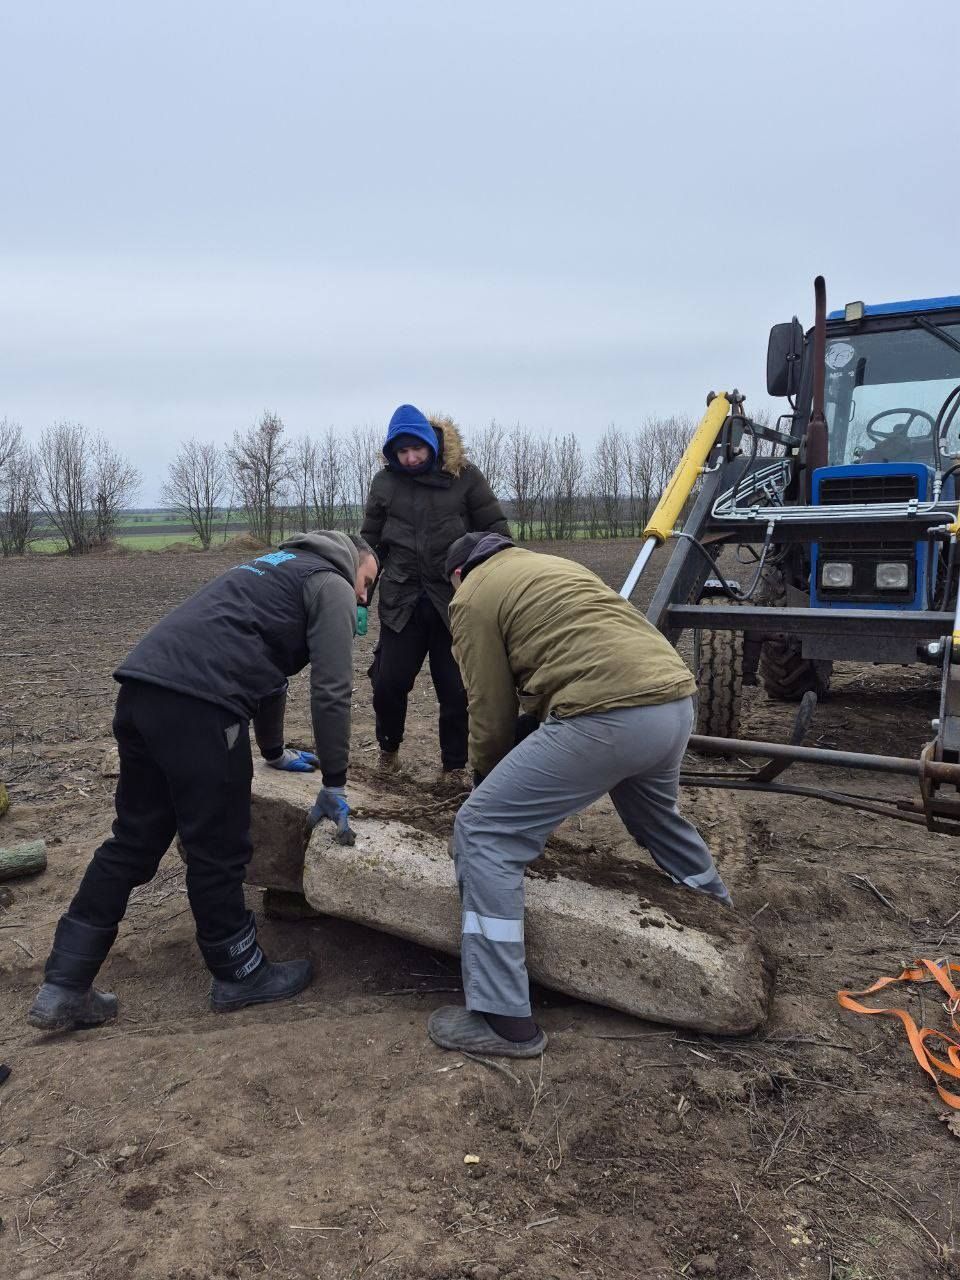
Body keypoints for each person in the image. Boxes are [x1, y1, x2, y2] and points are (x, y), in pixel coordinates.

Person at [27, 531, 379, 1033]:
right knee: (218, 847)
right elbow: (332, 691)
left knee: (132, 841)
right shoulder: (333, 583)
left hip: (143, 691)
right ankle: (240, 974)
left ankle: (63, 985)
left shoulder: (274, 567)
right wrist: (335, 783)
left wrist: (274, 752)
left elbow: (269, 673)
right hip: (202, 707)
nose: (365, 596)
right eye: (369, 582)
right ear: (356, 561)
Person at [427, 532, 732, 1060]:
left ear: (458, 573)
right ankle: (723, 918)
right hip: (673, 703)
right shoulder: (550, 568)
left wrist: (488, 783)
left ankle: (503, 1020)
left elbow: (489, 707)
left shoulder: (472, 594)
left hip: (607, 716)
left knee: (484, 831)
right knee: (656, 820)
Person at [361, 404, 510, 787]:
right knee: (388, 682)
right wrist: (359, 594)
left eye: (417, 449)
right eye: (402, 452)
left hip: (455, 602)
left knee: (457, 690)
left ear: (431, 444)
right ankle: (388, 752)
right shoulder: (384, 484)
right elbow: (371, 546)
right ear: (392, 452)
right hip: (401, 601)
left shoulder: (465, 478)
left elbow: (496, 533)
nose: (410, 458)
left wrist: (481, 580)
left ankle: (454, 768)